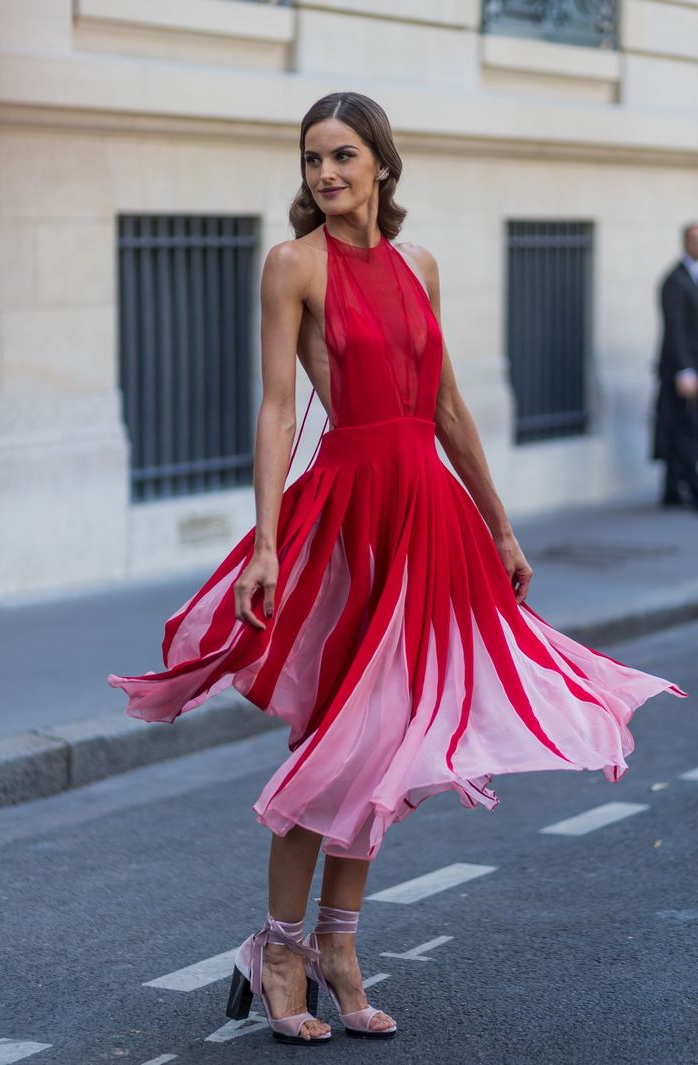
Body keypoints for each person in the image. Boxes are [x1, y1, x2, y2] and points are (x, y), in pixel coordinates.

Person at [108, 92, 687, 1045]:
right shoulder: (293, 265)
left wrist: (500, 526)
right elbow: (274, 409)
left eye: (341, 156)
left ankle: (338, 943)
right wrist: (262, 541)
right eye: (310, 161)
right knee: (338, 737)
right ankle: (281, 945)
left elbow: (451, 406)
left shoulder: (421, 264)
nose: (325, 175)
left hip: (428, 516)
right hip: (346, 518)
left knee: (390, 743)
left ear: (381, 162)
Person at [652, 221, 698, 508]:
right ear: (685, 242)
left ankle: (671, 491)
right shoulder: (675, 280)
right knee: (685, 426)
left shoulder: (691, 276)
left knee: (678, 424)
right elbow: (676, 328)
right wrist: (685, 370)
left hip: (690, 366)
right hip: (681, 370)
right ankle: (691, 487)